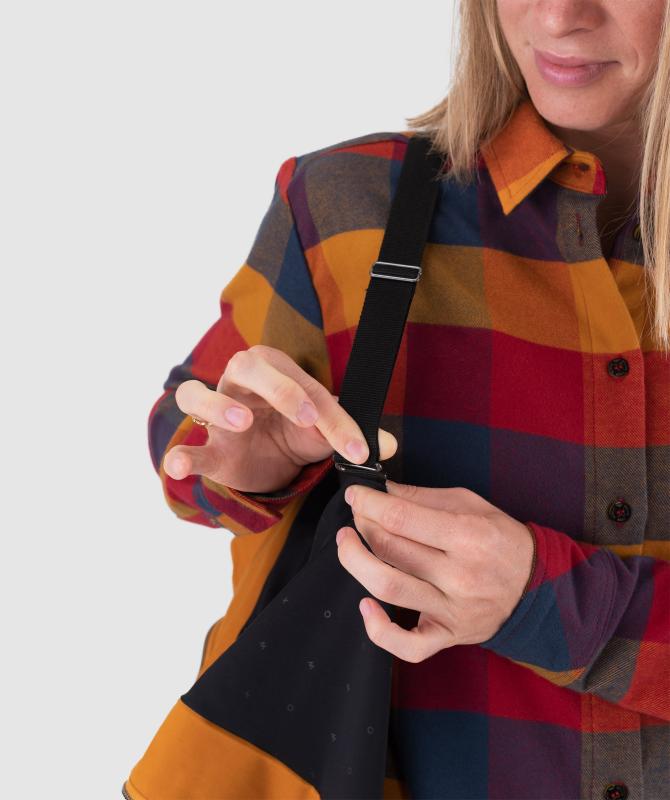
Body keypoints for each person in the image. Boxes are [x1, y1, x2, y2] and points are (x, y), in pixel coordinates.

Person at [125, 1, 670, 798]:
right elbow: (183, 439)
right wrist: (249, 460)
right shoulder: (349, 207)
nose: (558, 16)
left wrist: (549, 603)